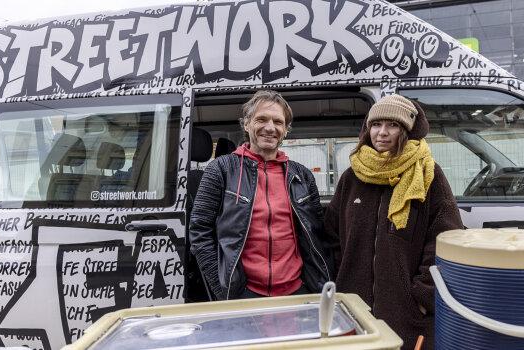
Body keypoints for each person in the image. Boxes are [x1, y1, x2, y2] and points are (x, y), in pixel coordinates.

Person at [324, 94, 464, 349]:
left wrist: (423, 294)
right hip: (354, 308)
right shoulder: (351, 177)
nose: (382, 133)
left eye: (393, 125)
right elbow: (331, 235)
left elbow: (446, 237)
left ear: (407, 131)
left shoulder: (428, 173)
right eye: (376, 125)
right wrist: (342, 279)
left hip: (407, 312)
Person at [189, 90, 332, 300]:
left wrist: (314, 285)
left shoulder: (302, 176)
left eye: (278, 122)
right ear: (247, 124)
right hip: (244, 293)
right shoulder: (221, 169)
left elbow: (316, 234)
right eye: (261, 119)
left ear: (285, 130)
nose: (270, 127)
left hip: (298, 290)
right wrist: (224, 290)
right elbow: (200, 232)